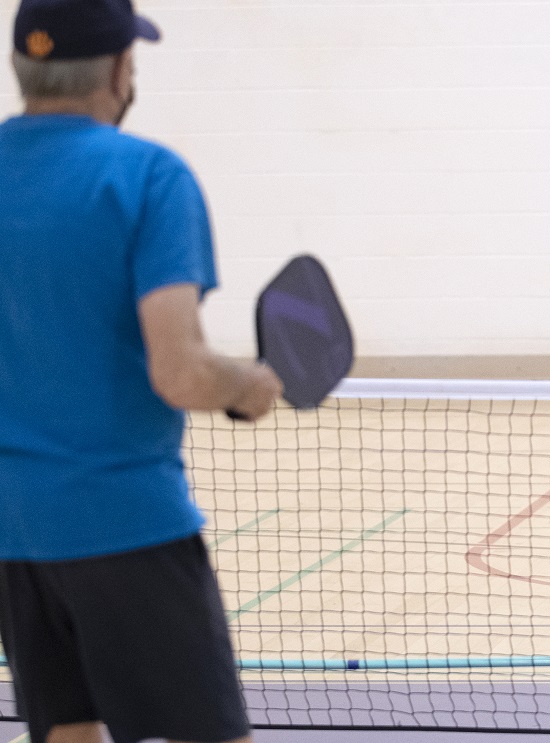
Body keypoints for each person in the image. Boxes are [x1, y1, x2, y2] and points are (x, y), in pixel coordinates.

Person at [0, 1, 282, 742]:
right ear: (121, 69)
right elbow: (182, 372)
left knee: (67, 732)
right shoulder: (150, 177)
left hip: (15, 530)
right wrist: (249, 386)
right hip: (127, 526)